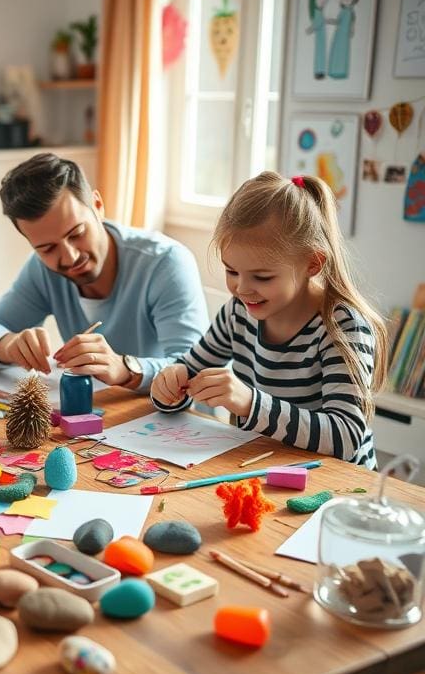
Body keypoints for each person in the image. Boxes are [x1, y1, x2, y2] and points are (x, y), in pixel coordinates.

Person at [150, 172, 386, 468]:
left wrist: (249, 402)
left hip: (339, 490)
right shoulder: (237, 313)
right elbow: (189, 370)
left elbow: (345, 436)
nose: (242, 289)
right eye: (231, 271)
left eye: (262, 277)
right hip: (264, 471)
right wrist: (170, 386)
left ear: (313, 263)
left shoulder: (342, 326)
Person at [0, 153, 208, 391]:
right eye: (47, 248)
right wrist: (9, 345)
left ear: (98, 206)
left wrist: (125, 369)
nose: (70, 256)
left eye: (76, 234)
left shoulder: (165, 263)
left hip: (174, 422)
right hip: (104, 419)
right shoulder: (42, 270)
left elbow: (196, 370)